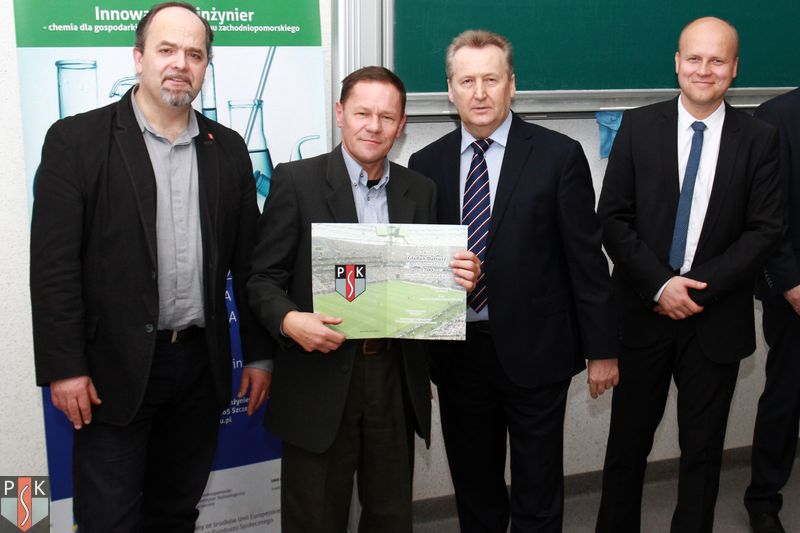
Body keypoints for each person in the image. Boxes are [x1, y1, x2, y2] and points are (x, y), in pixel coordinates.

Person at [29, 3, 270, 531]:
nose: (181, 63)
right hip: (110, 372)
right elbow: (54, 268)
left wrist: (259, 355)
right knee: (109, 519)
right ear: (138, 58)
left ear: (206, 67)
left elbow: (250, 262)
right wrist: (65, 366)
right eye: (167, 50)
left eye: (194, 54)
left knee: (175, 513)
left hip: (199, 368)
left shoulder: (228, 150)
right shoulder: (76, 141)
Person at [246, 66, 479, 533]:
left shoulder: (420, 190)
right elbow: (262, 279)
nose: (374, 126)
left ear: (401, 124)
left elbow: (425, 283)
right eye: (362, 113)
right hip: (317, 377)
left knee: (391, 515)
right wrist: (290, 321)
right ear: (340, 114)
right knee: (315, 518)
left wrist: (459, 278)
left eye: (387, 117)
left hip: (394, 377)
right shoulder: (297, 181)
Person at [408, 30, 619, 532]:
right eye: (467, 81)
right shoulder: (425, 164)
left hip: (537, 351)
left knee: (537, 490)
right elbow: (417, 269)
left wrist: (603, 350)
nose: (479, 93)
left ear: (512, 84)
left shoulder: (559, 155)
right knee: (475, 488)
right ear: (450, 90)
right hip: (458, 356)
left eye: (491, 79)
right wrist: (416, 360)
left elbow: (586, 261)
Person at [595, 17, 783, 533]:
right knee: (627, 446)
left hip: (715, 318)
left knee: (703, 452)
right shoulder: (638, 127)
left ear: (734, 68)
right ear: (677, 63)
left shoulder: (760, 139)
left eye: (717, 60)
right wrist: (660, 285)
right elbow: (613, 219)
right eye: (695, 58)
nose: (705, 69)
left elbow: (765, 230)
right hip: (643, 312)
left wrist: (697, 289)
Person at [744, 88, 800, 533]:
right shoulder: (777, 116)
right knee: (787, 395)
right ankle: (763, 500)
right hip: (796, 291)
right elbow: (766, 214)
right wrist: (791, 284)